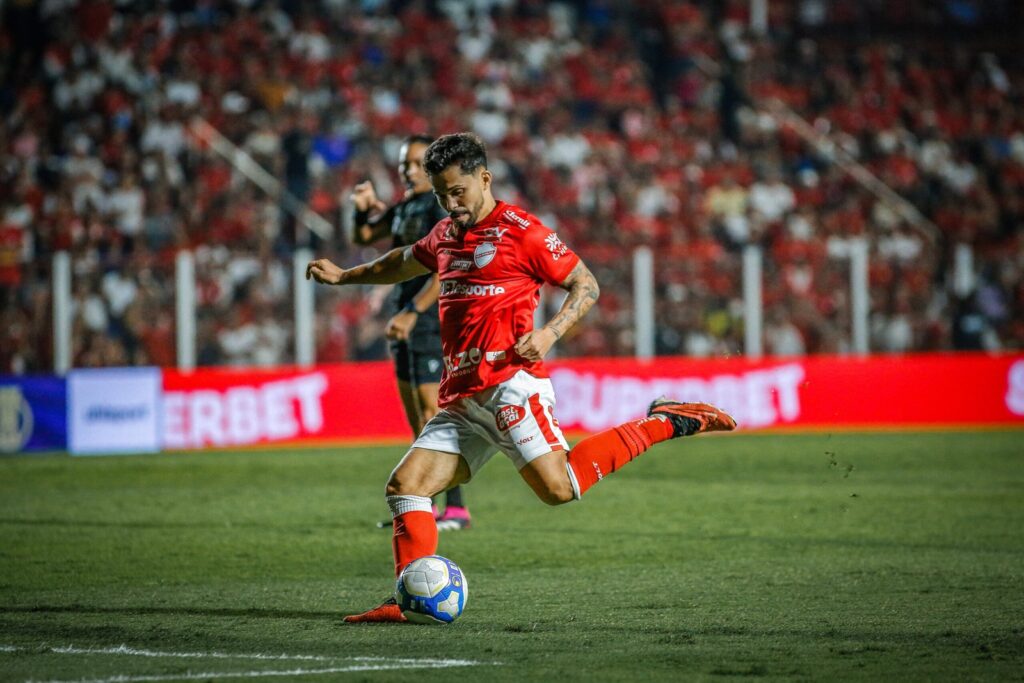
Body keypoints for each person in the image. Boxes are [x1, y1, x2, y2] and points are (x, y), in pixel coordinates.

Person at [307, 133, 736, 623]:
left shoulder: (523, 231)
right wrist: (345, 276)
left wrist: (550, 332)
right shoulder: (444, 234)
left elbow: (585, 283)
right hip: (463, 398)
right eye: (442, 195)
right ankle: (404, 600)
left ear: (485, 179)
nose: (451, 203)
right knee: (406, 486)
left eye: (458, 191)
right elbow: (401, 262)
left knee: (560, 488)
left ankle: (666, 420)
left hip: (510, 385)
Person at [350, 134, 472, 531]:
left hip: (427, 319)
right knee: (417, 420)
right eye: (405, 163)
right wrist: (361, 211)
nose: (409, 170)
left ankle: (457, 508)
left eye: (418, 163)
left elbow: (444, 268)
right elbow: (364, 237)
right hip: (403, 316)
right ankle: (426, 506)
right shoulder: (405, 207)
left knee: (434, 416)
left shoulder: (438, 209)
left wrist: (414, 312)